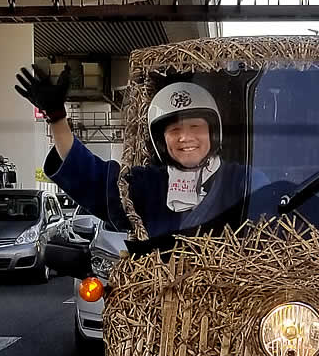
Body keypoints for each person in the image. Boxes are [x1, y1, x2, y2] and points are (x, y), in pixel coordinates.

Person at [15, 65, 267, 238]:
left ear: (214, 132)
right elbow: (89, 176)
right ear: (161, 139)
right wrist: (57, 117)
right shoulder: (147, 184)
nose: (185, 137)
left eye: (195, 127)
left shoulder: (244, 180)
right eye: (174, 129)